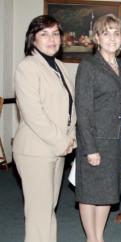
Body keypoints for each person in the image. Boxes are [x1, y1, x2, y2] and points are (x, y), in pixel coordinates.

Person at [13, 15, 76, 242]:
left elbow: (70, 106)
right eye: (44, 34)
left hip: (57, 149)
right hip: (35, 150)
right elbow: (33, 114)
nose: (51, 39)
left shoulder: (59, 65)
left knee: (48, 208)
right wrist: (61, 140)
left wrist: (71, 137)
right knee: (39, 212)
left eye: (55, 34)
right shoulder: (27, 67)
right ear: (33, 39)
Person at [75, 14, 121, 242]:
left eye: (116, 33)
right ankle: (92, 238)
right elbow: (84, 109)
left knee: (108, 191)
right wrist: (90, 148)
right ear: (97, 38)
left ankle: (99, 235)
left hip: (116, 140)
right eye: (106, 33)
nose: (111, 38)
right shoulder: (88, 66)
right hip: (95, 140)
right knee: (89, 192)